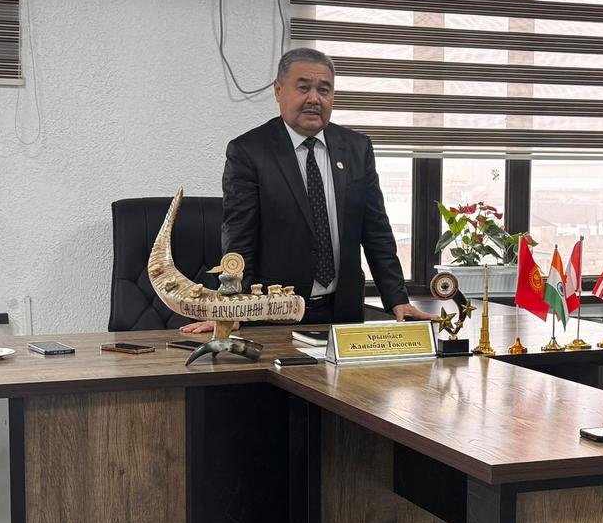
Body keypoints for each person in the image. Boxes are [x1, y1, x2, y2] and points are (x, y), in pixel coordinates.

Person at [182, 47, 430, 331]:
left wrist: (397, 299)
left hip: (344, 313)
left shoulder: (356, 148)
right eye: (303, 88)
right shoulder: (249, 151)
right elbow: (239, 238)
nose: (314, 99)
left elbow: (376, 232)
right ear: (278, 91)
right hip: (274, 314)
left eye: (324, 90)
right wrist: (234, 307)